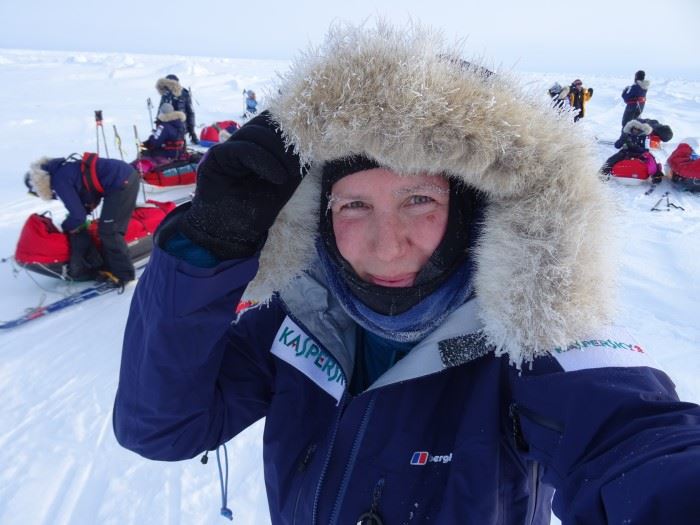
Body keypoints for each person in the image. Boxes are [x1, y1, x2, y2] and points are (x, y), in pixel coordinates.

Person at [114, 22, 700, 524]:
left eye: (419, 199)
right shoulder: (294, 322)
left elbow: (639, 443)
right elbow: (163, 427)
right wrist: (210, 246)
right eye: (354, 205)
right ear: (320, 215)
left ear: (471, 210)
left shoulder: (532, 342)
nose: (386, 248)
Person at [25, 154, 139, 285]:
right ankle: (113, 267)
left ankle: (124, 276)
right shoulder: (61, 171)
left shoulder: (59, 181)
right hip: (123, 177)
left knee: (110, 232)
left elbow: (78, 216)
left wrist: (66, 227)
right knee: (106, 229)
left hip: (121, 182)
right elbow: (86, 192)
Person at [156, 74, 198, 144]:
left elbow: (190, 113)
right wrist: (158, 124)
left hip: (180, 128)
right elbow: (161, 109)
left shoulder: (184, 94)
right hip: (166, 127)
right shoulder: (165, 94)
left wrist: (192, 132)